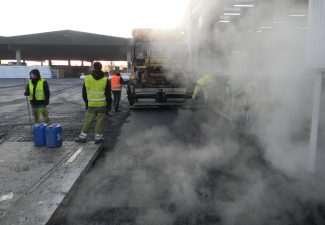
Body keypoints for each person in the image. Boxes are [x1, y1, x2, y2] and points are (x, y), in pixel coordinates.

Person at [75, 62, 112, 144]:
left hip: (91, 105)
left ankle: (82, 137)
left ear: (93, 67)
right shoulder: (105, 80)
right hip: (102, 105)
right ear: (101, 68)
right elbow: (108, 94)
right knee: (100, 122)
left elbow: (84, 94)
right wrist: (109, 105)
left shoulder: (87, 79)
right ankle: (98, 138)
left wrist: (86, 103)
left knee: (88, 121)